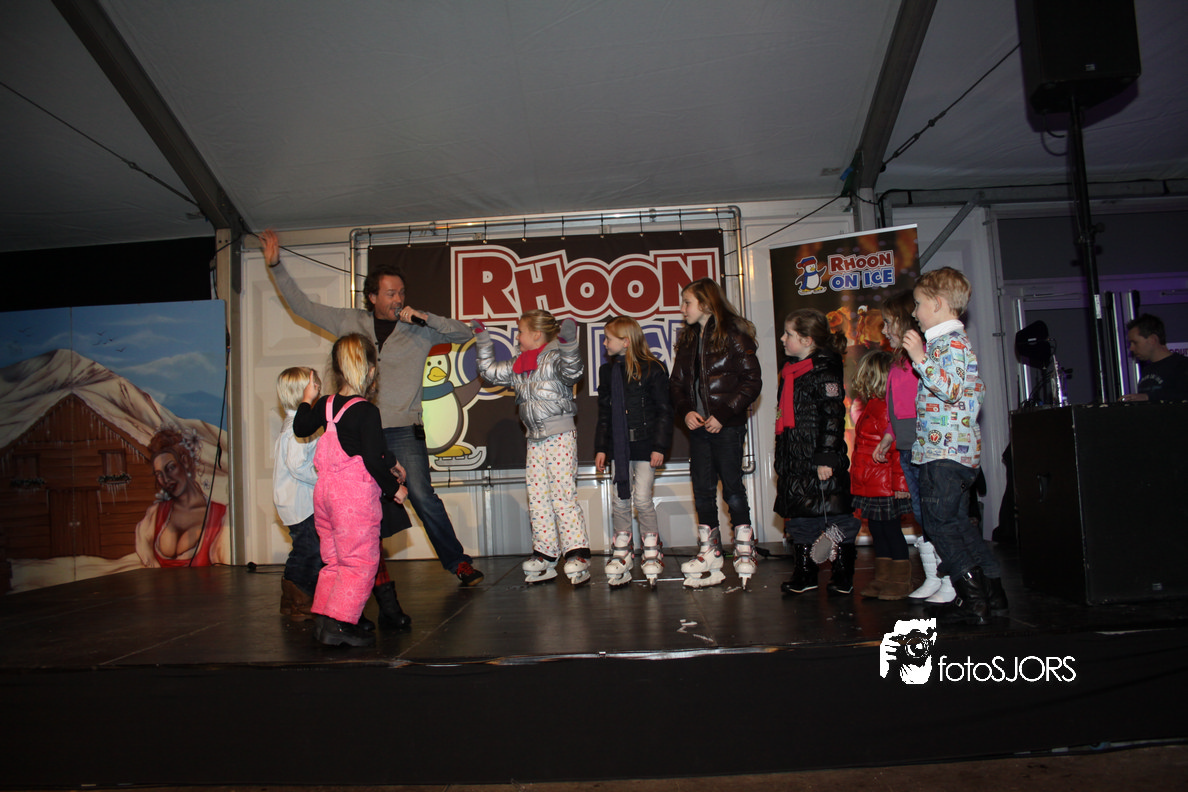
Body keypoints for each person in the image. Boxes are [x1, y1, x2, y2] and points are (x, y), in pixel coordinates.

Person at [261, 229, 483, 586]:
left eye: (402, 292)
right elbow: (303, 306)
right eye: (391, 293)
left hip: (403, 428)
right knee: (357, 505)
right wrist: (276, 266)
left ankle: (458, 562)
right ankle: (362, 578)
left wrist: (424, 317)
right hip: (355, 430)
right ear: (372, 297)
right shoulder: (351, 322)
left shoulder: (419, 329)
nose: (398, 299)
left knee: (422, 496)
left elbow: (464, 333)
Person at [902, 267, 1007, 625]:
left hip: (945, 453)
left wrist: (920, 358)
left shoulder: (950, 343)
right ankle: (993, 595)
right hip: (949, 451)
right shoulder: (949, 343)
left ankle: (973, 599)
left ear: (937, 303)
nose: (914, 312)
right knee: (958, 524)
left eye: (918, 304)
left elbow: (951, 389)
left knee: (941, 524)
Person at [293, 334, 409, 647]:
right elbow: (370, 457)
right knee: (359, 562)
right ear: (370, 371)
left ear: (337, 370)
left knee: (335, 561)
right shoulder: (366, 411)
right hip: (353, 500)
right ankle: (341, 624)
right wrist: (394, 489)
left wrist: (307, 398)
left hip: (325, 495)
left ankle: (325, 620)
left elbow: (301, 427)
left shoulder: (326, 405)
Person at [473, 310, 592, 585]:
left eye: (521, 332)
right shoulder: (520, 362)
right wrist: (483, 340)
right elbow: (489, 372)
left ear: (536, 334)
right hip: (534, 439)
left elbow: (573, 371)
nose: (517, 337)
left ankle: (577, 553)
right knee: (537, 497)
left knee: (562, 496)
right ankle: (546, 554)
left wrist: (569, 344)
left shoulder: (555, 358)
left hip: (559, 435)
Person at [670, 278, 763, 589]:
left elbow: (752, 381)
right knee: (702, 489)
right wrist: (686, 410)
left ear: (706, 303)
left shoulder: (734, 334)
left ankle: (744, 550)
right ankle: (710, 551)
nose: (683, 308)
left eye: (687, 302)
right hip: (699, 428)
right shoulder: (687, 340)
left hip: (727, 427)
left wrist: (722, 415)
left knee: (733, 488)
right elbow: (676, 384)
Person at [872, 290, 954, 604]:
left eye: (889, 322)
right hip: (907, 447)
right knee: (921, 513)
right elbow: (897, 409)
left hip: (927, 448)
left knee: (934, 513)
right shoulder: (897, 364)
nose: (884, 330)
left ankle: (950, 578)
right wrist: (889, 435)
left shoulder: (922, 360)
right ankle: (934, 577)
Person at [773, 309, 860, 595]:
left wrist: (826, 457)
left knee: (835, 515)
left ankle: (843, 575)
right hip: (795, 457)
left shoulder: (824, 371)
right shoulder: (790, 371)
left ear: (807, 340)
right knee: (800, 518)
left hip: (818, 457)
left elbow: (833, 416)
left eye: (789, 334)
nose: (782, 338)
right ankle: (805, 574)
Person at [593, 316, 673, 588]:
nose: (605, 344)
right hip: (619, 448)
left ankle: (651, 546)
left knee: (641, 499)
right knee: (620, 499)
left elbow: (664, 411)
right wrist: (601, 448)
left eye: (609, 339)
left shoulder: (654, 369)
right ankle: (623, 547)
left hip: (646, 447)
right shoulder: (608, 372)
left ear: (626, 342)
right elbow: (605, 414)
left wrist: (659, 447)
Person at [850, 351, 914, 599]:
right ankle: (883, 577)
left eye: (865, 376)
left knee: (891, 530)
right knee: (877, 530)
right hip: (871, 481)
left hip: (886, 483)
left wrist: (901, 484)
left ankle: (900, 580)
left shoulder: (888, 407)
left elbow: (898, 449)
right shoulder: (873, 404)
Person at [135, 428, 230, 568]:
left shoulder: (221, 516)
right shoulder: (154, 516)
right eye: (159, 474)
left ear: (184, 462)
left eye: (170, 468)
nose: (166, 479)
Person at [273, 366, 323, 621]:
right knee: (310, 550)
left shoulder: (293, 424)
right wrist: (323, 478)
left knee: (303, 548)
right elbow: (298, 466)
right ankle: (301, 600)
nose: (319, 390)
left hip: (295, 501)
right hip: (300, 503)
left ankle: (290, 599)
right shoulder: (297, 428)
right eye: (315, 386)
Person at [1122, 313, 1188, 402]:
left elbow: (1183, 396)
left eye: (1135, 342)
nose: (1131, 348)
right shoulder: (1147, 370)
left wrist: (1148, 397)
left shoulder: (1182, 366)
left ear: (1153, 339)